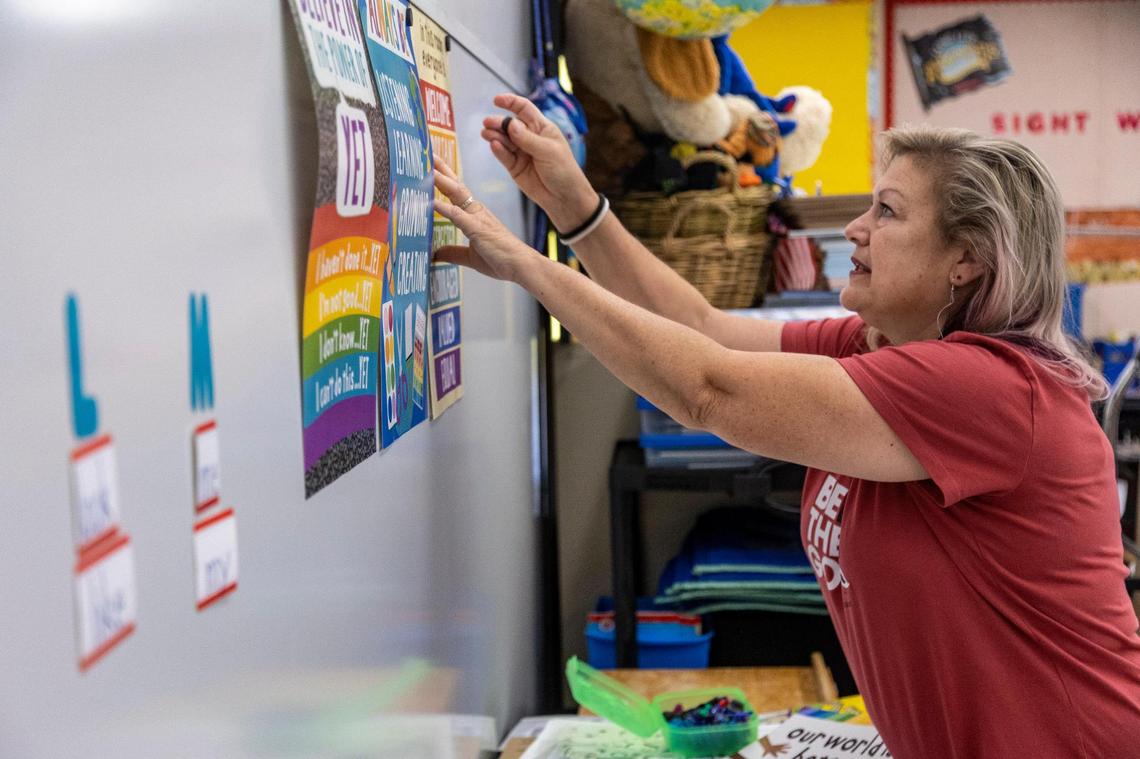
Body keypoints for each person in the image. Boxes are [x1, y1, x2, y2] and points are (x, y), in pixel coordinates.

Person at [432, 93, 1140, 758]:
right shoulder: (874, 344)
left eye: (887, 212)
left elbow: (707, 388)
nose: (855, 229)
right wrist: (574, 207)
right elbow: (699, 329)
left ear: (967, 259)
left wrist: (526, 267)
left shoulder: (993, 389)